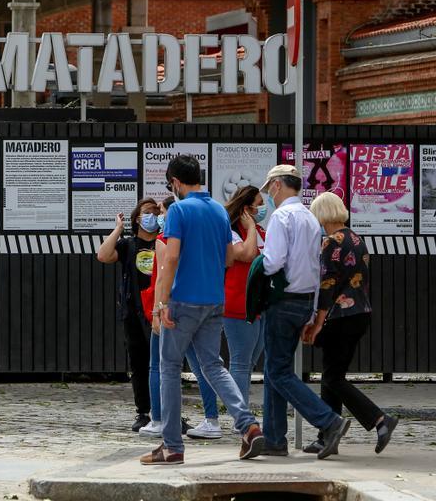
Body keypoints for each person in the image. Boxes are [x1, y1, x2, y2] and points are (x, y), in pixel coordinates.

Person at [140, 155, 265, 466]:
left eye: (172, 184)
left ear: (177, 183)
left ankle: (172, 446)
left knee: (169, 367)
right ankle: (248, 425)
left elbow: (170, 259)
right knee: (213, 366)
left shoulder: (179, 210)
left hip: (183, 300)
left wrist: (161, 303)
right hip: (214, 301)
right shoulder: (219, 213)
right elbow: (227, 259)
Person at [258, 164, 349, 459]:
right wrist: (312, 313)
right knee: (276, 368)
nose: (269, 195)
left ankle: (328, 420)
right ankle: (274, 438)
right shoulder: (311, 219)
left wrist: (259, 263)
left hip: (283, 299)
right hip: (303, 301)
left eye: (269, 189)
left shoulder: (281, 217)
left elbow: (273, 263)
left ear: (276, 186)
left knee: (278, 371)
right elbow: (314, 266)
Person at [303, 191, 398, 454]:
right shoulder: (357, 239)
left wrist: (318, 321)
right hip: (360, 313)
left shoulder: (331, 242)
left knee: (333, 378)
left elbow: (327, 285)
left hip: (341, 316)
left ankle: (380, 420)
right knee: (331, 376)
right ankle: (326, 437)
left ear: (322, 214)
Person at [137, 220, 222, 440]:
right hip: (197, 302)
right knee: (204, 365)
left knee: (159, 365)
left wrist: (158, 308)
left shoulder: (163, 240)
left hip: (171, 306)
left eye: (162, 212)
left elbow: (163, 277)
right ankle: (212, 419)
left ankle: (160, 420)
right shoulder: (196, 238)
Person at [96, 198, 161, 431]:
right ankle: (143, 412)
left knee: (163, 364)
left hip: (159, 310)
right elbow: (103, 255)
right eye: (147, 212)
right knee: (139, 363)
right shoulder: (128, 245)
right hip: (133, 312)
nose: (151, 216)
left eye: (155, 212)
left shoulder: (165, 242)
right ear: (137, 218)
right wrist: (117, 230)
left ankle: (164, 411)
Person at [222, 185, 266, 407]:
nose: (262, 208)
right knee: (240, 362)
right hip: (237, 303)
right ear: (246, 209)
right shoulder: (231, 231)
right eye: (259, 204)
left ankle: (243, 411)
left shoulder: (259, 230)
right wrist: (249, 228)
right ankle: (241, 417)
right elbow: (247, 254)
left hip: (258, 304)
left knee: (249, 363)